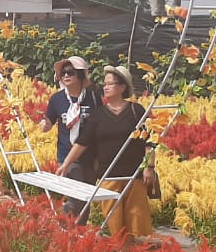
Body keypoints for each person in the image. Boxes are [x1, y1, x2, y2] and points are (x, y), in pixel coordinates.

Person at [55, 64, 155, 240]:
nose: (105, 87)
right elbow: (82, 142)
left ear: (122, 87)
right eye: (105, 83)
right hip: (109, 176)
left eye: (110, 84)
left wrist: (149, 167)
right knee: (114, 222)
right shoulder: (99, 114)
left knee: (134, 220)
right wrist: (66, 164)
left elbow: (149, 141)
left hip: (134, 176)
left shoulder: (136, 110)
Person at [41, 56, 102, 224]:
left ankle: (78, 233)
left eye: (70, 72)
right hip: (66, 156)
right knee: (77, 194)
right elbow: (48, 121)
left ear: (81, 75)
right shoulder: (57, 99)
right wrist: (44, 125)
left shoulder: (93, 98)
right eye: (63, 73)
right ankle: (62, 222)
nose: (66, 76)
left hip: (90, 157)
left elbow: (100, 126)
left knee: (86, 197)